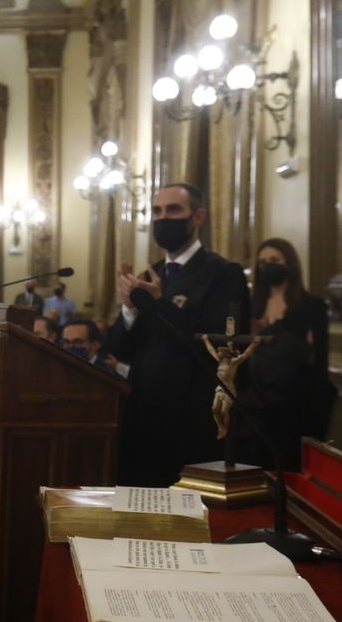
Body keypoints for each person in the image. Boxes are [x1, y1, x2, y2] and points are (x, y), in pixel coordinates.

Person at [107, 183, 251, 486]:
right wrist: (129, 309)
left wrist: (159, 304)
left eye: (174, 210)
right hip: (143, 414)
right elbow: (121, 349)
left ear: (197, 217)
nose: (163, 218)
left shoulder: (224, 274)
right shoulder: (149, 275)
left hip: (190, 414)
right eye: (157, 211)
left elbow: (213, 345)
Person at [235, 237, 335, 470]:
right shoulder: (252, 306)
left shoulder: (312, 305)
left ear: (289, 263)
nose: (267, 265)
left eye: (274, 260)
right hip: (255, 406)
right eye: (262, 262)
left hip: (294, 405)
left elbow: (319, 361)